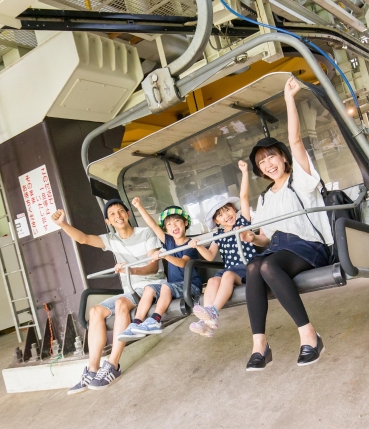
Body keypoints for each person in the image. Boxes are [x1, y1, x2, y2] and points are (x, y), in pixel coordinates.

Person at [239, 77, 333, 371]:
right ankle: (259, 345)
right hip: (280, 252)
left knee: (266, 266)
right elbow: (266, 239)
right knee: (254, 266)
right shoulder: (265, 198)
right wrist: (253, 239)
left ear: (283, 158)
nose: (268, 164)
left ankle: (309, 335)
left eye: (272, 157)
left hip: (311, 247)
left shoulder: (300, 181)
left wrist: (289, 98)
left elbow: (296, 140)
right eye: (262, 163)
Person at [51, 199, 166, 394]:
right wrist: (63, 224)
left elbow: (154, 267)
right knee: (95, 311)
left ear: (128, 215)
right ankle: (92, 369)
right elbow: (84, 239)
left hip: (150, 287)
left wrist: (130, 271)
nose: (118, 216)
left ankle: (112, 365)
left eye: (121, 211)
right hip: (130, 291)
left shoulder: (145, 233)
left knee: (122, 303)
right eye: (113, 214)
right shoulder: (112, 240)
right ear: (108, 221)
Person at [188, 160, 256, 337]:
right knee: (211, 281)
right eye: (221, 215)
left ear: (234, 209)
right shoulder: (218, 234)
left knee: (226, 275)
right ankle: (207, 322)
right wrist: (198, 246)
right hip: (230, 271)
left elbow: (244, 198)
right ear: (216, 221)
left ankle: (214, 312)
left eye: (228, 210)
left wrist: (245, 173)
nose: (226, 216)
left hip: (247, 268)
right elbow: (210, 256)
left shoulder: (242, 222)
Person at [117, 199, 202, 340]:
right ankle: (136, 323)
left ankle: (155, 320)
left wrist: (165, 256)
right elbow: (152, 225)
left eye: (177, 221)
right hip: (173, 287)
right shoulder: (168, 241)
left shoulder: (191, 244)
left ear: (185, 223)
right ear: (166, 230)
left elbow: (183, 263)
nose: (173, 226)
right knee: (149, 288)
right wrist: (139, 206)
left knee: (166, 287)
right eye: (169, 224)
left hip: (191, 285)